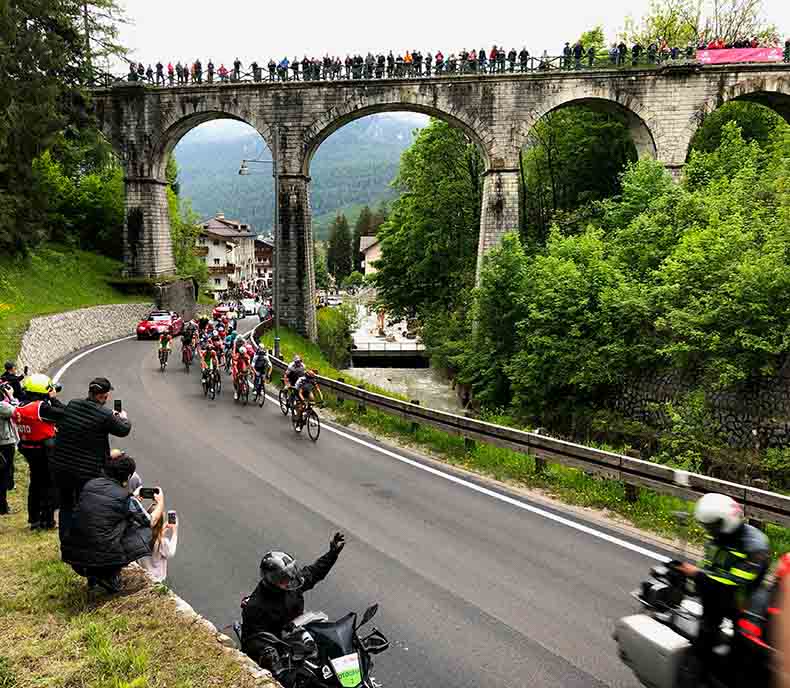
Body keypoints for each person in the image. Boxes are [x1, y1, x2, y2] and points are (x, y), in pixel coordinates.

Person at [675, 493, 770, 683]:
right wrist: (690, 583)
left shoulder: (756, 546)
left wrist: (696, 575)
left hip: (744, 604)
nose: (708, 530)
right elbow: (709, 568)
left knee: (742, 657)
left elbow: (733, 581)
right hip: (717, 598)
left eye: (711, 525)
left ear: (725, 521)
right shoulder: (717, 538)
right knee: (703, 642)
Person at [242, 532, 346, 672]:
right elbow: (251, 641)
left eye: (290, 573)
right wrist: (268, 651)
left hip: (300, 633)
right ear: (271, 579)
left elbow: (314, 572)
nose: (289, 579)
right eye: (283, 577)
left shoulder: (291, 586)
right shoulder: (256, 606)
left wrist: (332, 554)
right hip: (282, 651)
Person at [61, 451, 153, 593]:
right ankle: (109, 574)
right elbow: (148, 521)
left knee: (99, 526)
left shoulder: (90, 484)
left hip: (72, 556)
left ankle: (95, 576)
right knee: (146, 530)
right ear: (128, 477)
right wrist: (160, 503)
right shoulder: (125, 497)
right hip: (102, 560)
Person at [51, 377, 131, 541]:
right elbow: (123, 430)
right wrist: (122, 417)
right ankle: (81, 543)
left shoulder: (73, 404)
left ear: (90, 392)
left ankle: (65, 543)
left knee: (66, 505)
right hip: (86, 472)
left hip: (61, 466)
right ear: (105, 396)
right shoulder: (105, 415)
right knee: (85, 506)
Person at [13, 374, 64, 530]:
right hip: (45, 450)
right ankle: (48, 520)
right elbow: (64, 413)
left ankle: (34, 519)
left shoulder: (20, 407)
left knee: (35, 484)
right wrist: (53, 398)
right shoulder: (40, 408)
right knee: (50, 485)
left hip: (28, 449)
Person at [137, 490, 177, 583]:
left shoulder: (138, 533)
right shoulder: (161, 541)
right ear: (161, 522)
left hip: (142, 571)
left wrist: (161, 531)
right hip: (157, 578)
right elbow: (170, 553)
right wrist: (175, 531)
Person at [0, 380, 19, 515]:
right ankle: (2, 507)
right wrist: (11, 396)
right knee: (4, 475)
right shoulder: (1, 406)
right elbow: (18, 411)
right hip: (4, 443)